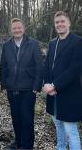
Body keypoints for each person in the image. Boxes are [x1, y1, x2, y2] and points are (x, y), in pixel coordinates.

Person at [0, 18, 43, 150]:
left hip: (28, 88)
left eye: (19, 28)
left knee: (27, 118)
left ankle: (27, 145)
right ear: (11, 30)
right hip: (12, 88)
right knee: (16, 117)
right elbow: (3, 67)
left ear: (24, 29)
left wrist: (37, 86)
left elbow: (39, 66)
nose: (17, 30)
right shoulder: (6, 45)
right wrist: (3, 85)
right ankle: (18, 142)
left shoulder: (33, 44)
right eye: (14, 28)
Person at [43, 11, 82, 150]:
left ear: (69, 23)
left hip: (69, 94)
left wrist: (55, 85)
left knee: (71, 131)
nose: (59, 24)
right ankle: (60, 148)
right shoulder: (53, 43)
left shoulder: (78, 42)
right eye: (57, 22)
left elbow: (75, 69)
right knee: (58, 126)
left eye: (62, 21)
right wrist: (47, 84)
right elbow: (47, 65)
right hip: (53, 95)